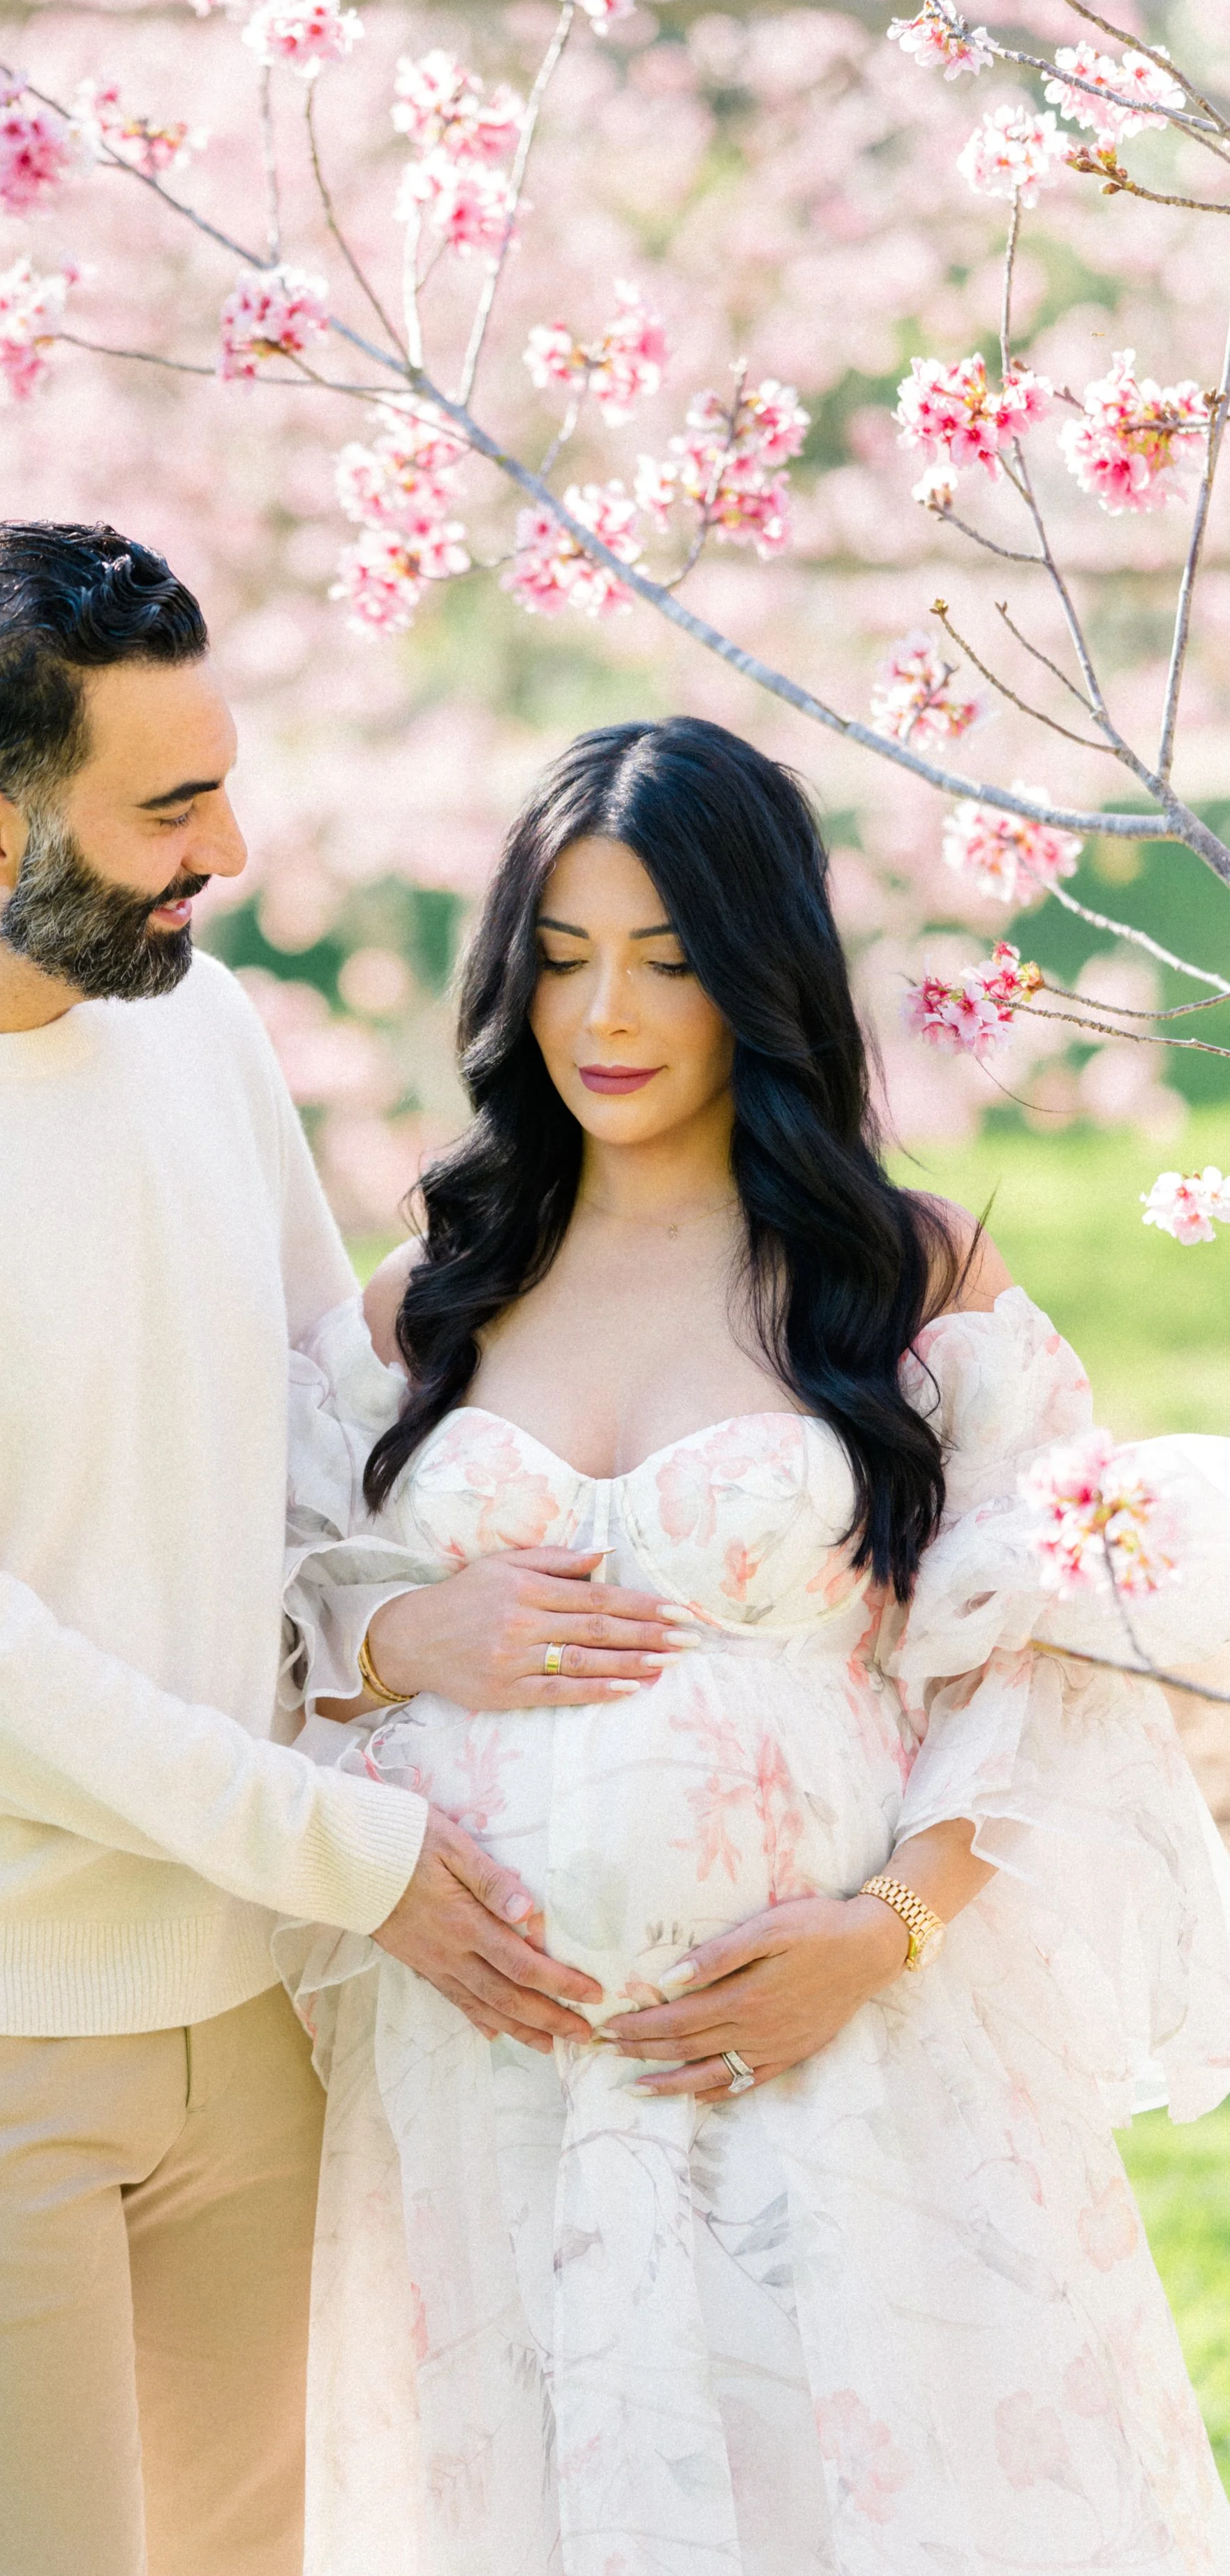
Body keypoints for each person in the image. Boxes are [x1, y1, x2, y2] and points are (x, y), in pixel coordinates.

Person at [0, 519, 618, 2576]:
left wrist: (391, 1629)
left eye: (220, 784)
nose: (225, 851)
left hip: (247, 1988)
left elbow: (310, 1428)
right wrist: (355, 1852)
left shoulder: (198, 1027)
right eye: (169, 809)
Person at [280, 715, 1230, 2576]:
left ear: (758, 971)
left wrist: (889, 1931)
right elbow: (257, 1619)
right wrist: (400, 1635)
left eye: (665, 959)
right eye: (561, 957)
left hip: (837, 2060)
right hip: (493, 2079)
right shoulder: (429, 1297)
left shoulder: (898, 1279)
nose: (602, 1015)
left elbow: (1043, 1642)